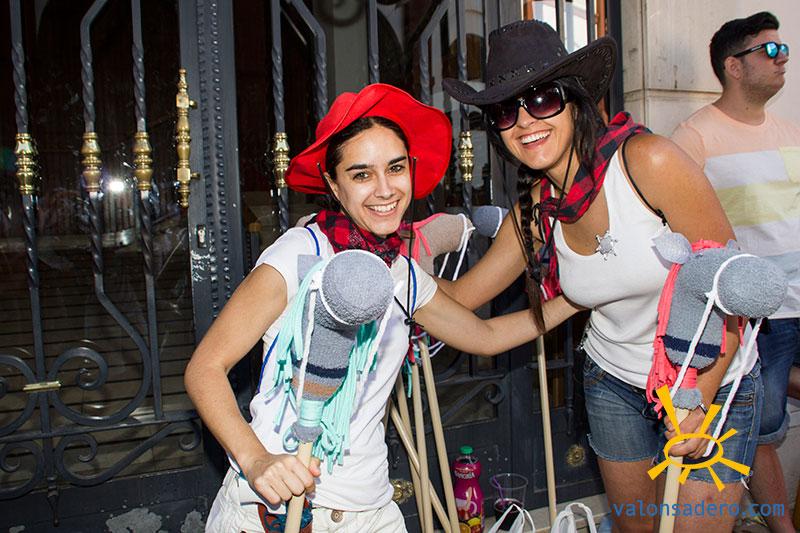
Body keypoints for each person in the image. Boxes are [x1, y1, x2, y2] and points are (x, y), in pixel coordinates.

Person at [185, 83, 575, 533]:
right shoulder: (298, 255)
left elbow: (483, 336)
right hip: (279, 509)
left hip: (370, 509)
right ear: (334, 185)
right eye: (361, 175)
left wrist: (575, 299)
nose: (386, 189)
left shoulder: (401, 273)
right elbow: (205, 368)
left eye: (395, 167)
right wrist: (256, 460)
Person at [442, 20, 762, 532]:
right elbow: (461, 297)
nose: (524, 122)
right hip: (614, 383)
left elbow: (731, 288)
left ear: (574, 101)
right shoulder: (535, 211)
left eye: (541, 99)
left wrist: (697, 400)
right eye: (505, 111)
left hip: (709, 381)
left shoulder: (648, 162)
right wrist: (392, 253)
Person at [671, 12, 799, 532]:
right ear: (734, 66)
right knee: (762, 431)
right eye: (771, 50)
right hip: (757, 316)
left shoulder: (790, 132)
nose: (784, 58)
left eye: (783, 48)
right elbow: (682, 235)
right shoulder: (694, 137)